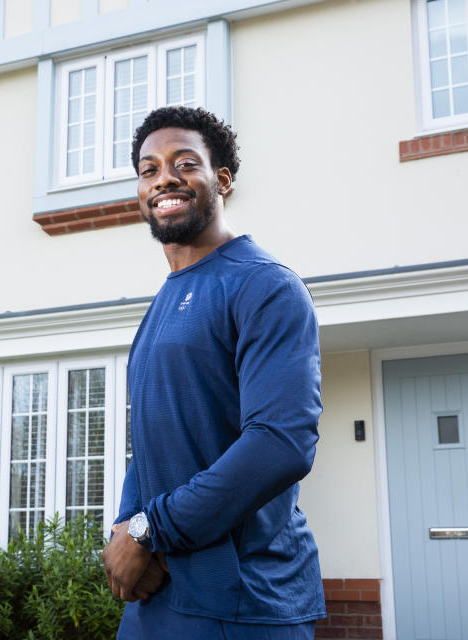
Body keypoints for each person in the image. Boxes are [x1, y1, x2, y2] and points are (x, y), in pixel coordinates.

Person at [101, 106, 325, 639]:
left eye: (184, 163)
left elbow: (281, 442)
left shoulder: (264, 286)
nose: (164, 179)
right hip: (157, 593)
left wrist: (150, 528)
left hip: (243, 601)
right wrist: (127, 527)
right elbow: (154, 441)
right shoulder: (162, 302)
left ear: (222, 179)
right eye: (148, 169)